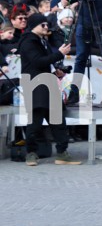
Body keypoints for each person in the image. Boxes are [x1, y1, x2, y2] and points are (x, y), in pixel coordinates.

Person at [18, 12, 81, 166]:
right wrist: (59, 54)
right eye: (43, 25)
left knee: (58, 120)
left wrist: (55, 72)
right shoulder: (28, 41)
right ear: (34, 26)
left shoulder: (40, 41)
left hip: (47, 83)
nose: (47, 27)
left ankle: (62, 153)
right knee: (36, 121)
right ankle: (31, 153)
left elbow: (42, 64)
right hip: (36, 85)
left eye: (47, 24)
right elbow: (37, 62)